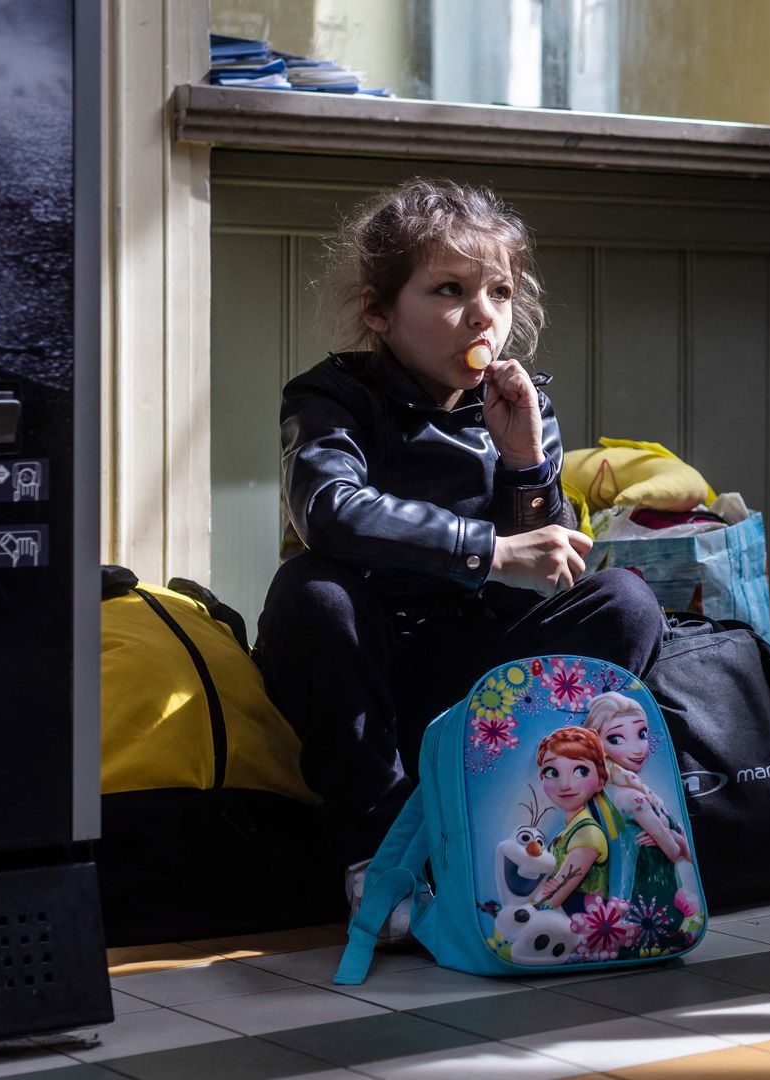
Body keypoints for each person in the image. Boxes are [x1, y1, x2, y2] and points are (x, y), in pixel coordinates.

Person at [254, 178, 666, 910]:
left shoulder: (517, 404)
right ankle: (377, 854)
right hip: (366, 675)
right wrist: (488, 549)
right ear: (379, 312)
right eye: (449, 290)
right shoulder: (331, 397)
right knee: (310, 591)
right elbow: (330, 509)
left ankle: (525, 817)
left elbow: (554, 571)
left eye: (500, 293)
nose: (483, 317)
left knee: (626, 600)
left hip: (478, 681)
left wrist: (524, 464)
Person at [581, 692, 690, 937]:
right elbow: (675, 852)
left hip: (633, 898)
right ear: (598, 742)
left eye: (642, 734)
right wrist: (670, 835)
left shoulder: (607, 789)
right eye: (616, 738)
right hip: (647, 898)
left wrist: (668, 833)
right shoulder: (634, 797)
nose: (637, 748)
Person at [532, 726, 618, 916]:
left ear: (601, 780)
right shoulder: (570, 830)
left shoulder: (588, 834)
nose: (565, 785)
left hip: (580, 926)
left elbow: (556, 894)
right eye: (552, 772)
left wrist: (528, 909)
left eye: (580, 771)